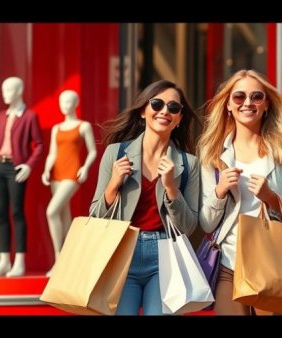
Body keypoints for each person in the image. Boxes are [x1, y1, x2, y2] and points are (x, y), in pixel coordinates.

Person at [198, 69, 282, 315]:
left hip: (274, 260)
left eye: (256, 96)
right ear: (228, 104)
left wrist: (271, 198)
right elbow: (206, 224)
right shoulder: (213, 153)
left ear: (267, 104)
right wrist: (219, 192)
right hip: (229, 263)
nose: (247, 103)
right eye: (239, 97)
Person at [89, 80, 201, 315]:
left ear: (179, 118)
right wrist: (113, 185)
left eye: (173, 108)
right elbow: (95, 216)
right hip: (121, 252)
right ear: (143, 110)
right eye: (157, 104)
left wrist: (171, 186)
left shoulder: (189, 164)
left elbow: (189, 226)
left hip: (164, 255)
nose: (164, 112)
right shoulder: (116, 153)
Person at [0, 76, 44, 277]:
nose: (5, 94)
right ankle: (3, 261)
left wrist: (28, 166)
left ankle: (19, 261)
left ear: (19, 91)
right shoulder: (1, 116)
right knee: (1, 213)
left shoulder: (29, 116)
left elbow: (39, 144)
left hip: (16, 168)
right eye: (3, 90)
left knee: (17, 212)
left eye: (9, 90)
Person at [41, 90, 97, 277]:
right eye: (62, 101)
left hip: (72, 173)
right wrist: (46, 170)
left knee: (51, 211)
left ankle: (59, 259)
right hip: (56, 174)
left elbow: (92, 151)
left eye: (68, 101)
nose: (64, 104)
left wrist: (85, 167)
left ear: (76, 103)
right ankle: (67, 260)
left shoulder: (83, 126)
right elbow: (52, 153)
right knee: (64, 216)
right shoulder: (57, 128)